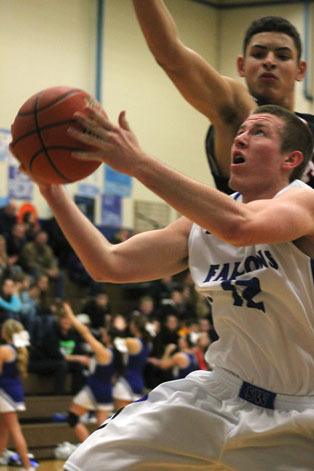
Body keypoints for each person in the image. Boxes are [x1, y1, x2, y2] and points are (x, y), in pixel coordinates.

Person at [12, 103, 314, 468]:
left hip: (297, 415)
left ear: (290, 159)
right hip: (219, 397)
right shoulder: (199, 226)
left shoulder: (303, 201)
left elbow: (241, 227)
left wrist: (137, 162)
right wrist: (53, 192)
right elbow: (109, 264)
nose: (243, 137)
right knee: (90, 462)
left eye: (259, 132)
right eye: (242, 131)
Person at [132, 2, 314, 192]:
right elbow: (171, 55)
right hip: (243, 219)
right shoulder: (238, 111)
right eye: (259, 54)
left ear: (300, 70)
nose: (269, 62)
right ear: (241, 65)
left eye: (282, 56)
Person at [62, 303, 117, 443]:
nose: (102, 333)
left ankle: (87, 449)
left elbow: (85, 333)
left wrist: (71, 316)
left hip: (95, 388)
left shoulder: (102, 351)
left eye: (105, 333)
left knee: (73, 418)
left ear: (108, 337)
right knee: (103, 428)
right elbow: (94, 363)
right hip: (106, 391)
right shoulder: (113, 353)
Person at [0, 319, 35, 471]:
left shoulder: (4, 349)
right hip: (15, 392)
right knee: (3, 429)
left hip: (5, 393)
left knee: (14, 430)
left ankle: (27, 466)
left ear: (5, 332)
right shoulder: (17, 349)